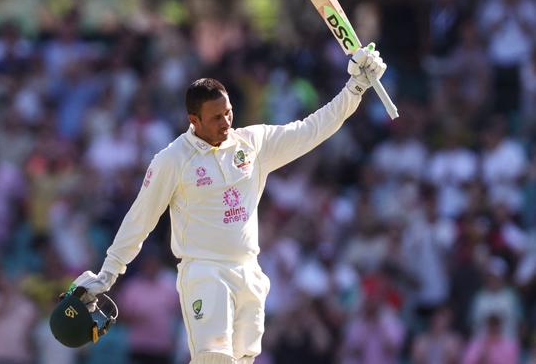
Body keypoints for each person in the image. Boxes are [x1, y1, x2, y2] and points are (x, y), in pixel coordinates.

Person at [70, 45, 388, 364]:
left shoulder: (252, 144)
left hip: (248, 271)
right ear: (194, 119)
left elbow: (312, 129)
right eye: (216, 118)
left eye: (228, 112)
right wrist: (107, 275)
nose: (226, 123)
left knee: (243, 360)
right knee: (215, 359)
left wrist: (355, 88)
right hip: (205, 271)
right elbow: (140, 219)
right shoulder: (172, 160)